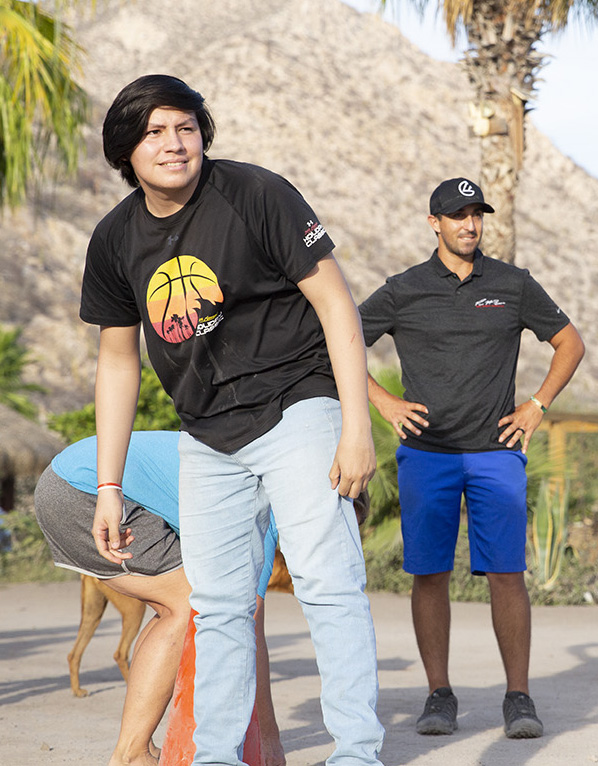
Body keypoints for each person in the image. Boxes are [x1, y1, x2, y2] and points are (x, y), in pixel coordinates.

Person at [79, 75, 383, 766]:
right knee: (218, 606)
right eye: (154, 132)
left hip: (296, 404)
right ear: (126, 150)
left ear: (202, 133)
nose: (174, 143)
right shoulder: (115, 239)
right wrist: (108, 485)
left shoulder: (255, 194)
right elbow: (118, 363)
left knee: (328, 584)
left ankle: (357, 753)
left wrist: (355, 427)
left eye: (185, 126)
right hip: (207, 433)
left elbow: (337, 304)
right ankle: (217, 755)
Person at [358, 177, 585, 739]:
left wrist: (536, 405)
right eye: (457, 216)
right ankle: (439, 695)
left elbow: (570, 343)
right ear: (434, 223)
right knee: (429, 574)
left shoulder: (511, 284)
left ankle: (518, 697)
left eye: (476, 214)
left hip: (496, 453)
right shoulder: (404, 289)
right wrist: (383, 402)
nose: (470, 224)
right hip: (426, 455)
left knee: (507, 575)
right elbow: (335, 341)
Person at [34, 431, 286, 766]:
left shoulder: (248, 461)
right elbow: (250, 621)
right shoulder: (263, 504)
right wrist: (271, 746)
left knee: (174, 606)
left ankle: (135, 748)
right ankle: (131, 753)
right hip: (87, 493)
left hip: (67, 480)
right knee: (192, 603)